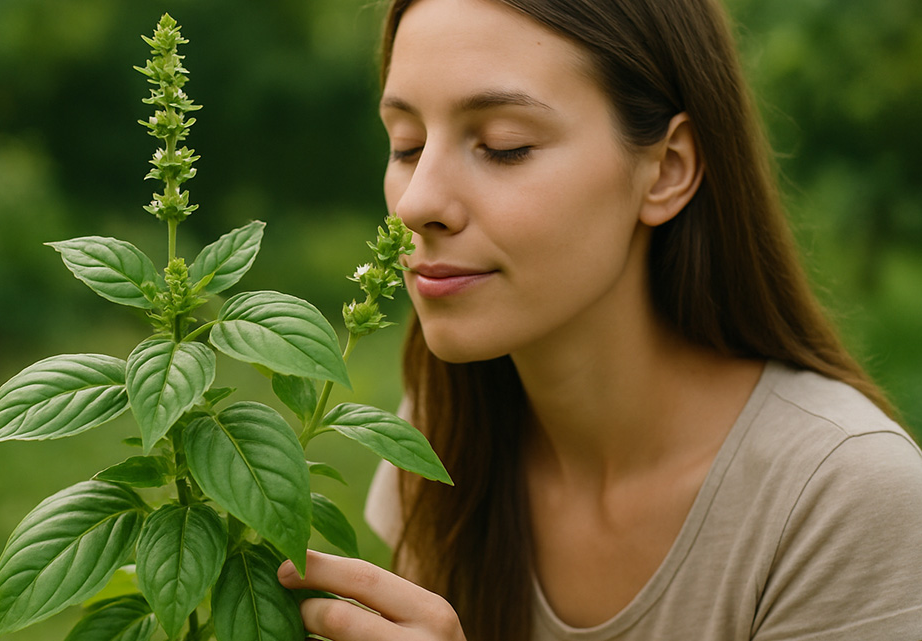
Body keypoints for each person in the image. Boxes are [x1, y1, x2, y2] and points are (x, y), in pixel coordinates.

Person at [277, 0, 922, 638]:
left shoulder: (844, 501)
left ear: (666, 169)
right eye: (408, 145)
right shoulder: (443, 429)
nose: (417, 203)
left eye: (504, 147)